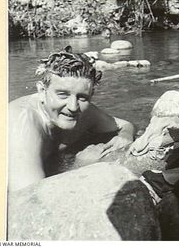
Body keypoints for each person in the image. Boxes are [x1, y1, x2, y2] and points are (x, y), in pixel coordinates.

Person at [9, 48, 135, 192]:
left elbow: (125, 125)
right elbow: (29, 200)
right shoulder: (22, 124)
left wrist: (125, 136)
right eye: (62, 94)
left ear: (91, 94)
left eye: (82, 97)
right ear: (42, 91)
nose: (73, 107)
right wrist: (79, 166)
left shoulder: (84, 111)